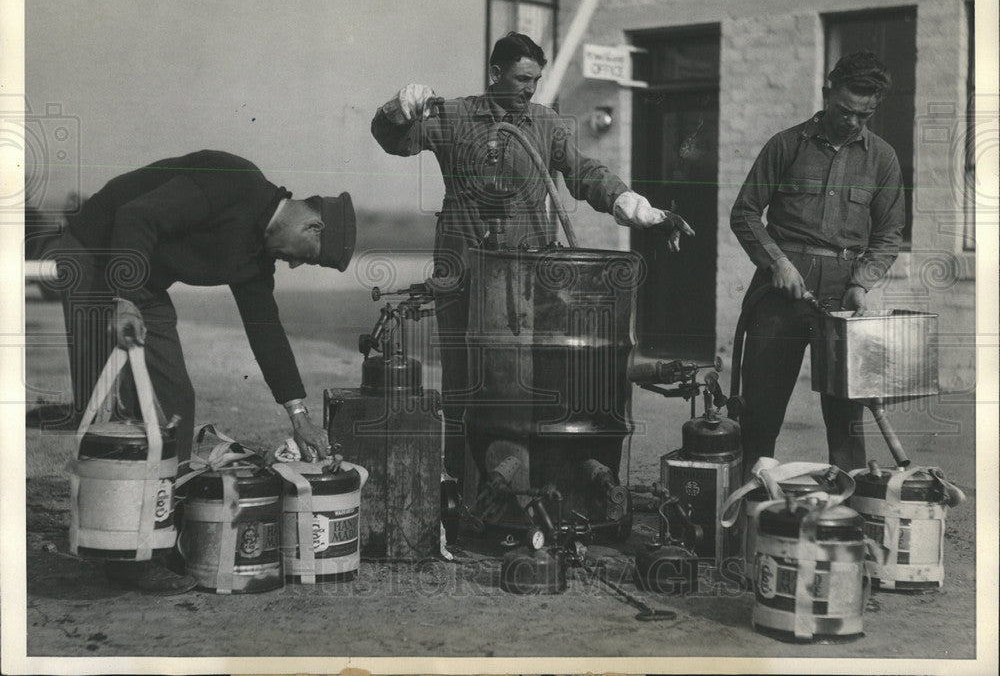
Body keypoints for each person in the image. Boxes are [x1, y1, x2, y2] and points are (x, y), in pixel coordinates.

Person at [371, 32, 695, 486]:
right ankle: (461, 488)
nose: (530, 88)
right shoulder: (455, 116)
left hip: (530, 278)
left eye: (536, 80)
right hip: (463, 274)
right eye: (522, 78)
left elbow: (585, 174)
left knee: (529, 382)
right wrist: (398, 107)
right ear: (496, 73)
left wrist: (639, 208)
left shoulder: (545, 124)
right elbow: (392, 140)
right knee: (463, 383)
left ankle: (530, 484)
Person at [43, 149, 355, 593]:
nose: (294, 264)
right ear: (313, 226)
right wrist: (124, 298)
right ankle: (124, 558)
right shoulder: (233, 180)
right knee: (115, 411)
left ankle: (155, 535)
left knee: (174, 401)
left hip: (140, 280)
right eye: (307, 257)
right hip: (96, 255)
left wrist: (299, 416)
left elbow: (266, 330)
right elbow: (136, 216)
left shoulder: (254, 259)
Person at [730, 50, 905, 474]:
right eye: (845, 110)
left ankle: (849, 513)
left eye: (864, 116)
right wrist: (778, 264)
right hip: (781, 289)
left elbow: (888, 235)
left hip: (844, 295)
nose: (852, 122)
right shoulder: (787, 145)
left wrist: (861, 283)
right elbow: (746, 212)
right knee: (761, 409)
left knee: (847, 417)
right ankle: (750, 506)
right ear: (828, 92)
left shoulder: (882, 158)